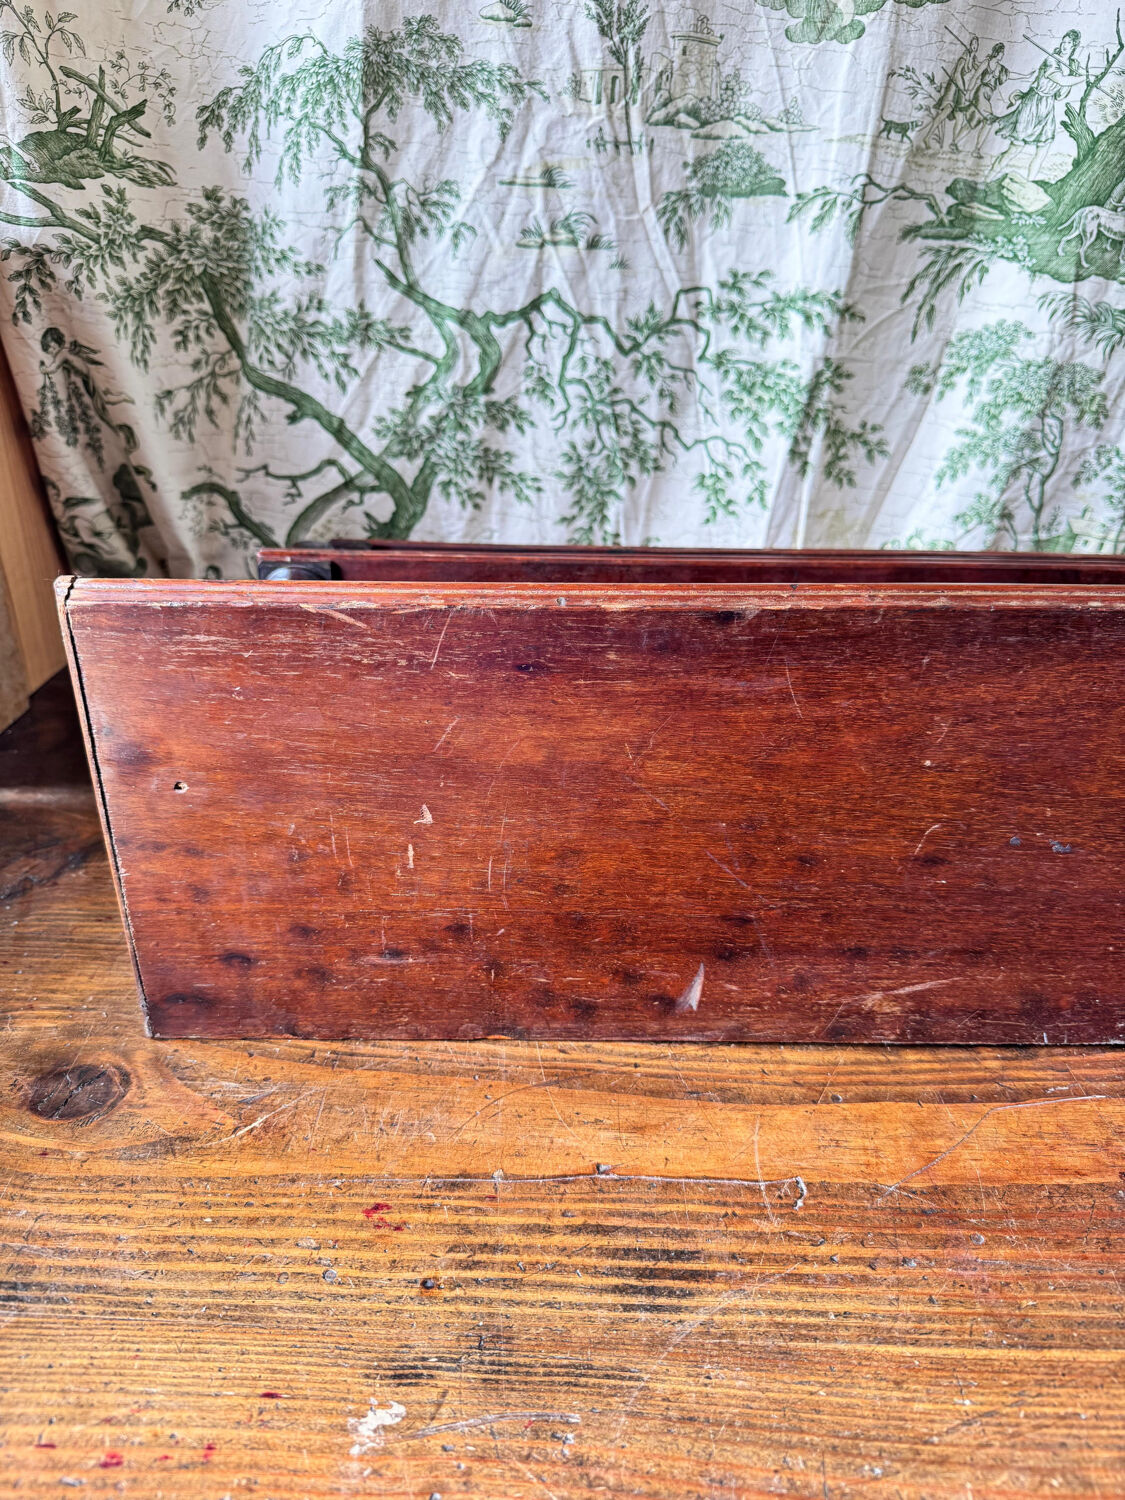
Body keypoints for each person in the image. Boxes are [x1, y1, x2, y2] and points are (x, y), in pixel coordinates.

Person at [994, 31, 1083, 178]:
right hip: (1033, 103)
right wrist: (1082, 78)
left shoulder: (1072, 65)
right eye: (1063, 41)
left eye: (1068, 43)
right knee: (1016, 147)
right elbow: (1059, 79)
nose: (1064, 45)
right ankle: (990, 176)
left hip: (1047, 106)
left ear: (1074, 46)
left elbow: (1060, 95)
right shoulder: (1052, 59)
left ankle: (1028, 185)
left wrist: (1076, 77)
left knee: (1043, 149)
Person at [918, 37, 979, 153]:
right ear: (970, 45)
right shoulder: (965, 56)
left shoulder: (973, 58)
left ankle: (953, 143)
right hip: (955, 86)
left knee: (960, 116)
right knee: (945, 112)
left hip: (962, 88)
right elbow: (957, 74)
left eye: (976, 44)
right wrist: (962, 89)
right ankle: (927, 137)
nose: (974, 46)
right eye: (973, 43)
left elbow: (978, 68)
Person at [954, 43, 1009, 155]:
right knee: (989, 120)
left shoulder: (1000, 68)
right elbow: (975, 77)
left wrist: (1026, 76)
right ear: (997, 52)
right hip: (980, 94)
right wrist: (968, 92)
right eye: (1002, 52)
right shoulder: (986, 63)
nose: (1003, 55)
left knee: (972, 123)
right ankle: (976, 150)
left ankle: (955, 143)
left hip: (987, 97)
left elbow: (1014, 75)